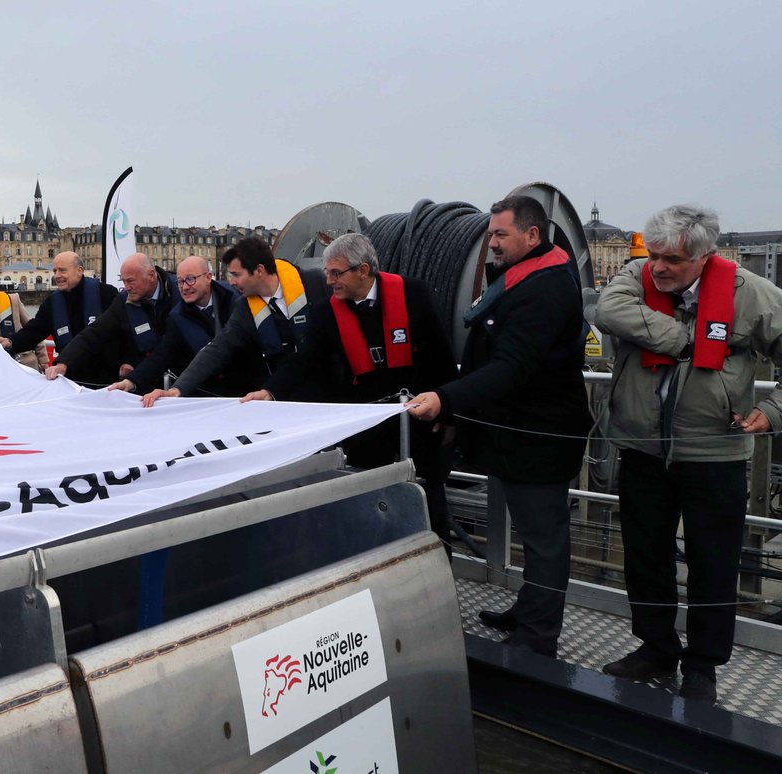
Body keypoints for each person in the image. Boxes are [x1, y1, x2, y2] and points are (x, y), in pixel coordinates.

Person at [595, 205, 782, 703]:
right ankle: (655, 646)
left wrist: (774, 410)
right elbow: (608, 310)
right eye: (654, 255)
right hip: (643, 448)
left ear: (705, 256)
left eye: (672, 260)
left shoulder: (752, 295)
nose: (658, 267)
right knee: (646, 555)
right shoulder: (636, 275)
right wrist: (685, 340)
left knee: (712, 562)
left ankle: (703, 666)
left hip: (714, 452)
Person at [407, 195, 590, 659]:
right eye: (491, 234)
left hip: (538, 438)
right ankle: (528, 610)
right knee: (534, 534)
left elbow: (510, 368)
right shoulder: (530, 276)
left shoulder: (545, 290)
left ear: (532, 235)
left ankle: (538, 638)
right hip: (516, 434)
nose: (491, 243)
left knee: (545, 541)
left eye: (500, 234)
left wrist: (446, 399)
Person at [241, 233, 458, 542]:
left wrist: (449, 412)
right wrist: (269, 391)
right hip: (369, 432)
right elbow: (304, 361)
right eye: (327, 272)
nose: (328, 280)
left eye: (336, 273)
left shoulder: (414, 295)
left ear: (363, 270)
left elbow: (442, 356)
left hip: (422, 423)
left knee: (431, 506)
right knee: (370, 512)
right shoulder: (327, 313)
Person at [141, 235, 328, 406]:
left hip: (329, 392)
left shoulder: (315, 284)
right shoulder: (245, 309)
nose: (230, 282)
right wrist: (178, 389)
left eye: (236, 275)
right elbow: (217, 348)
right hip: (282, 395)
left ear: (259, 271)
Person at [108, 255, 262, 396]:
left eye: (191, 279)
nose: (185, 287)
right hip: (210, 393)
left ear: (208, 277)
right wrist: (131, 382)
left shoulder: (236, 300)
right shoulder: (177, 317)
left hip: (252, 390)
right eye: (180, 282)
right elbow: (162, 355)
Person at [45, 253, 180, 385]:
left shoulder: (181, 293)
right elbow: (95, 332)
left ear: (151, 275)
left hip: (184, 377)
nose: (127, 287)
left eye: (131, 281)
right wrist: (63, 363)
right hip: (147, 376)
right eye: (124, 281)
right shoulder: (124, 300)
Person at [0, 251, 120, 384]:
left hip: (108, 380)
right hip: (70, 380)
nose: (57, 276)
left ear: (79, 271)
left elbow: (124, 332)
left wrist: (128, 362)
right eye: (55, 271)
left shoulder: (106, 294)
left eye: (62, 271)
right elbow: (33, 332)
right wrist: (10, 342)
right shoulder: (52, 303)